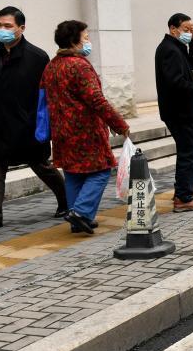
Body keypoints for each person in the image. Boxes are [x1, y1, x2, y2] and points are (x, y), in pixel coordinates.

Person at [0, 6, 67, 232]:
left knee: (41, 165)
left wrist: (44, 123)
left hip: (27, 124)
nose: (2, 30)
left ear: (21, 28)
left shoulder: (37, 57)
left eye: (8, 26)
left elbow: (46, 95)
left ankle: (66, 200)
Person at [42, 20, 130, 234]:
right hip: (85, 132)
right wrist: (119, 124)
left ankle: (77, 219)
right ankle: (81, 213)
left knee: (73, 174)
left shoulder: (52, 65)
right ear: (74, 41)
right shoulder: (79, 65)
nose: (89, 41)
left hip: (62, 131)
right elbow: (97, 100)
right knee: (100, 171)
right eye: (86, 37)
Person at [155, 12, 193, 212]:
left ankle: (182, 192)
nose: (189, 32)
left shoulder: (177, 47)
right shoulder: (169, 50)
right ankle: (183, 198)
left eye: (191, 29)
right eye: (186, 29)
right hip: (178, 111)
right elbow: (175, 82)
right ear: (173, 29)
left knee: (187, 151)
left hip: (180, 110)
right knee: (190, 153)